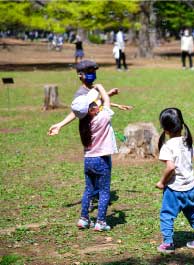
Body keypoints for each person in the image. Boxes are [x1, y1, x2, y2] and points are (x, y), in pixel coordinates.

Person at [155, 108, 194, 254]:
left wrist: (162, 182)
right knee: (193, 214)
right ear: (181, 124)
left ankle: (168, 243)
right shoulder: (187, 142)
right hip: (190, 188)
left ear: (165, 129)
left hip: (174, 189)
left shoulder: (168, 146)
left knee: (167, 215)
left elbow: (171, 167)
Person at [71, 86, 116, 231]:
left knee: (88, 190)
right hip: (102, 160)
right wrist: (100, 87)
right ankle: (100, 221)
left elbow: (101, 102)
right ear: (92, 110)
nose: (98, 104)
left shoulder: (83, 122)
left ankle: (84, 219)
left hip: (88, 160)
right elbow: (106, 100)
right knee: (104, 191)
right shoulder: (102, 117)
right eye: (94, 104)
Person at [48, 60, 132, 137]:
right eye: (89, 72)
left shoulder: (93, 88)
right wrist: (60, 124)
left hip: (101, 128)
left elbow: (96, 103)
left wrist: (116, 105)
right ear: (80, 75)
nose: (92, 74)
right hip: (92, 132)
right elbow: (77, 112)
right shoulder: (81, 94)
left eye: (93, 72)